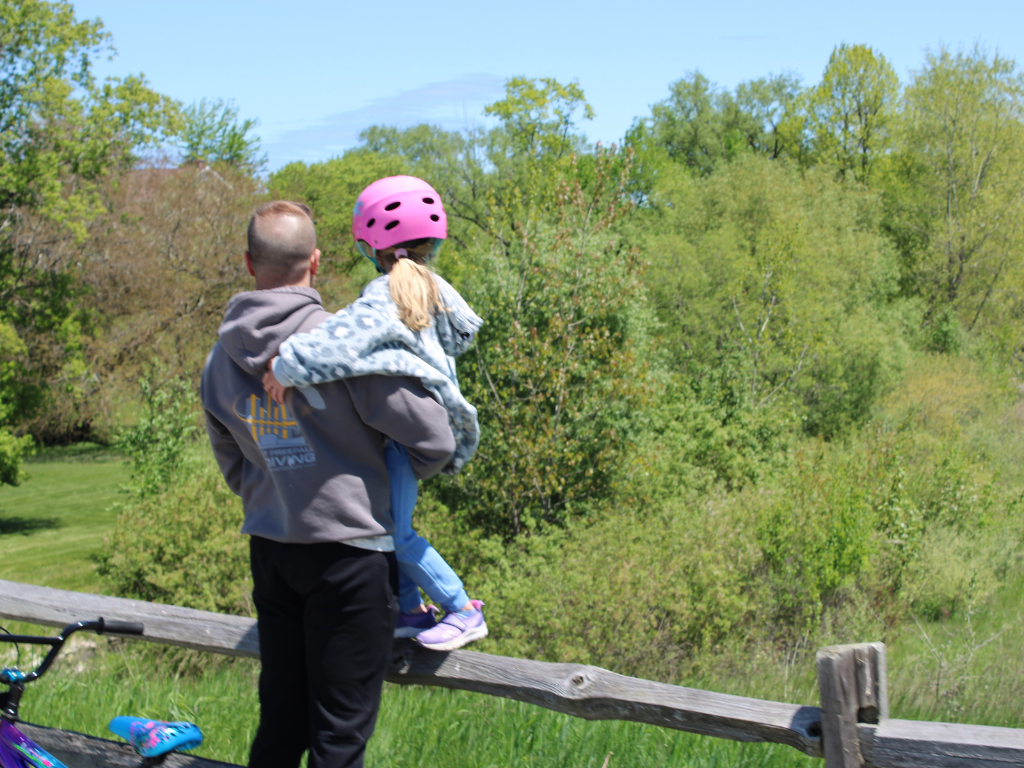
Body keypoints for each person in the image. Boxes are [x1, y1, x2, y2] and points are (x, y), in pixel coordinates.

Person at [200, 200, 456, 768]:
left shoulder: (219, 361)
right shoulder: (343, 344)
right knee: (340, 738)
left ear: (249, 263)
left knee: (281, 723)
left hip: (272, 550)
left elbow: (232, 461)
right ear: (316, 261)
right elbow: (435, 438)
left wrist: (281, 488)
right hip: (350, 556)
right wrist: (388, 478)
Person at [261, 176, 488, 652]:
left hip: (404, 441)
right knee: (387, 523)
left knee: (395, 532)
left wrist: (285, 367)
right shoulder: (432, 288)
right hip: (422, 432)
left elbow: (340, 340)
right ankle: (407, 607)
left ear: (369, 244)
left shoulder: (386, 294)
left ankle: (462, 609)